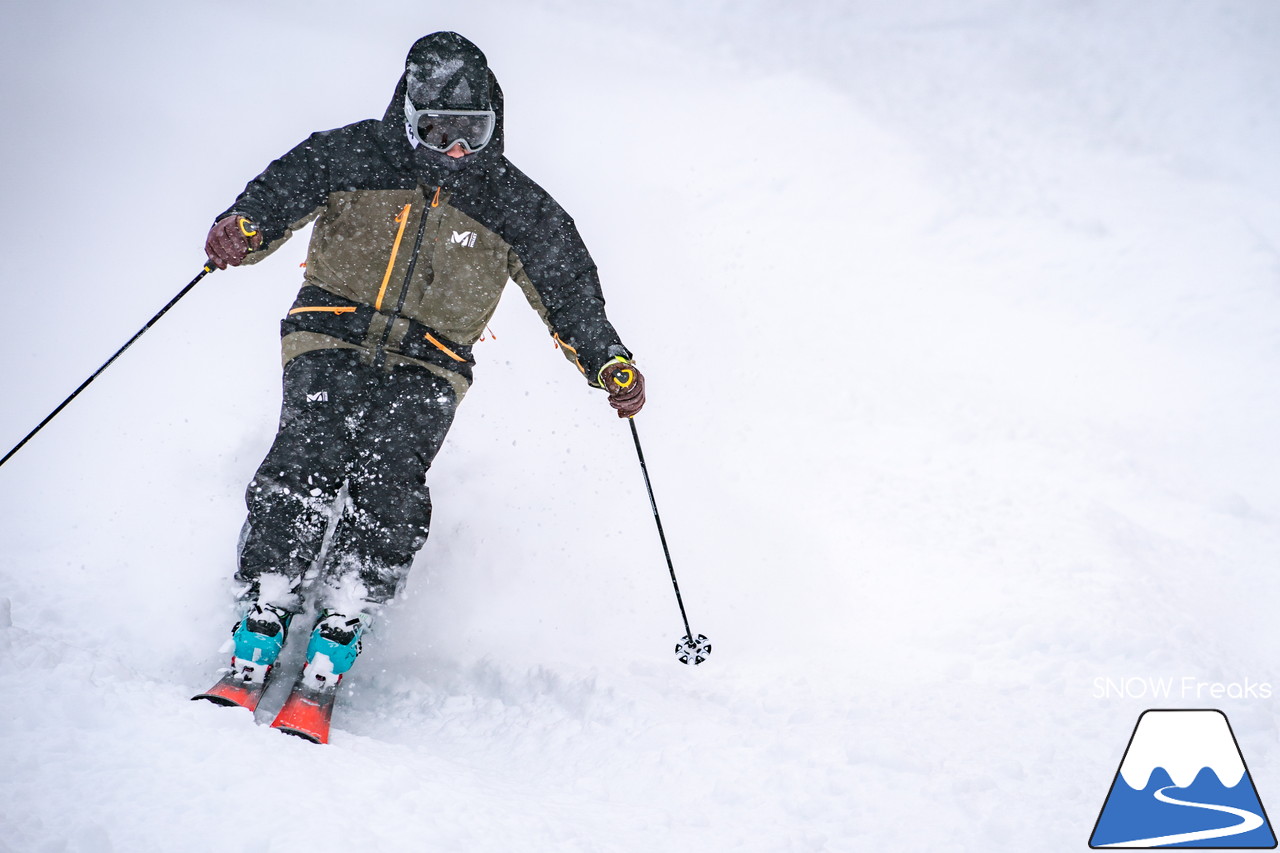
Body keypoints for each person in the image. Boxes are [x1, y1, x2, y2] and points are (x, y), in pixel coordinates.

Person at [200, 32, 644, 699]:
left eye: (473, 132)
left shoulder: (513, 203)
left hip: (431, 361)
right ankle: (267, 600)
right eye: (439, 132)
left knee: (393, 466)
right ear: (410, 120)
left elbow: (569, 288)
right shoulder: (352, 154)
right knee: (309, 449)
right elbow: (279, 194)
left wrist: (607, 359)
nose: (458, 149)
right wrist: (245, 226)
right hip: (329, 330)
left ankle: (347, 610)